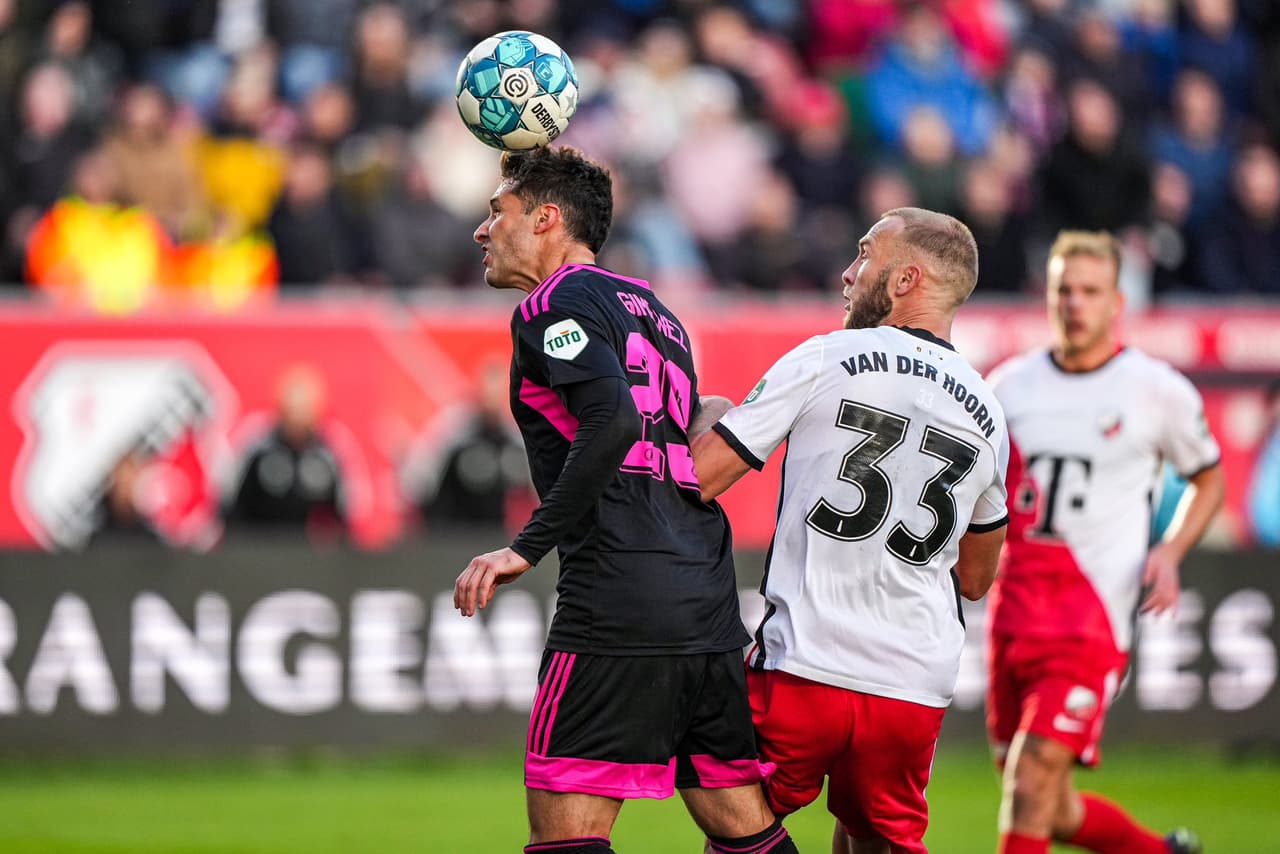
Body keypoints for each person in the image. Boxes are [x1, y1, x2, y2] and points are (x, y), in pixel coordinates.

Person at [451, 146, 797, 854]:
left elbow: (611, 420)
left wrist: (525, 547)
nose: (484, 232)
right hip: (705, 595)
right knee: (741, 826)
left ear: (546, 219)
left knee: (564, 830)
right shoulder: (657, 312)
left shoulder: (550, 305)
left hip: (616, 597)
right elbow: (700, 415)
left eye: (498, 213)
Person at [690, 207, 1010, 854]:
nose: (846, 273)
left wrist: (705, 419)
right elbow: (976, 579)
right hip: (912, 685)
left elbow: (700, 478)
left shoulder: (827, 357)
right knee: (876, 835)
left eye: (864, 254)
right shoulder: (990, 413)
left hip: (806, 664)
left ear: (903, 280)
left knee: (729, 813)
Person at [985, 230, 1224, 854]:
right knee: (1043, 798)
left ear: (1117, 302)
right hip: (1014, 614)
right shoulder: (1008, 387)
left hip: (1091, 621)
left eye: (1090, 291)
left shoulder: (1155, 388)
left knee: (1032, 777)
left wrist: (1169, 550)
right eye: (1064, 290)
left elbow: (1209, 481)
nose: (1075, 304)